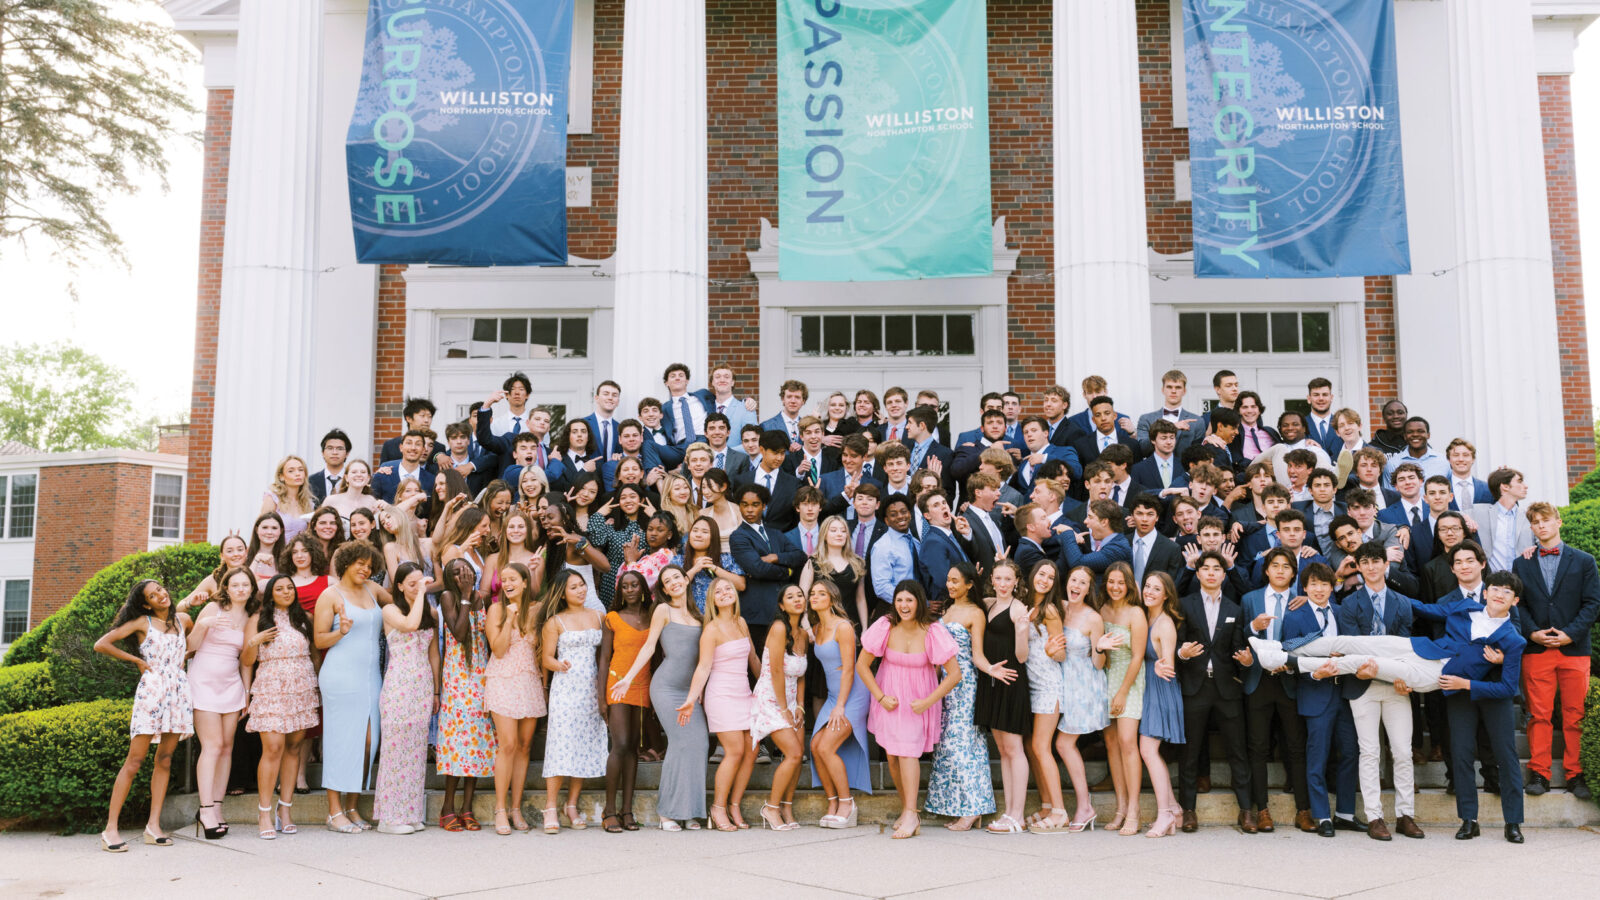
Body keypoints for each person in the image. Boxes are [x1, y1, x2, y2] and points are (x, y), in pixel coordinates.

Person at [855, 580, 961, 839]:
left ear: (919, 602)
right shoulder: (885, 626)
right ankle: (907, 808)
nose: (904, 605)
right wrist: (880, 697)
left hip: (918, 703)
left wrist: (928, 701)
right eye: (899, 600)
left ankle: (912, 814)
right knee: (892, 756)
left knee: (907, 754)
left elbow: (954, 674)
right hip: (889, 699)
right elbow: (862, 665)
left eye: (909, 600)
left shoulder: (932, 631)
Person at [93, 580, 193, 851]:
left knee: (165, 758)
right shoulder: (142, 623)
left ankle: (153, 826)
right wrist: (137, 660)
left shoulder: (183, 620)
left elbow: (190, 643)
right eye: (152, 595)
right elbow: (102, 644)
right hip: (152, 690)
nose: (160, 595)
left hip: (178, 691)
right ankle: (110, 829)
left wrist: (184, 657)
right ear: (146, 604)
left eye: (160, 589)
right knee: (135, 760)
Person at [1336, 541, 1423, 840]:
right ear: (1358, 567)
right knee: (1370, 751)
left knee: (1402, 751)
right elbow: (1352, 645)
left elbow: (1404, 645)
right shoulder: (1349, 604)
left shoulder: (1403, 602)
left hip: (1396, 685)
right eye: (1365, 562)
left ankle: (1405, 815)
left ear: (1387, 564)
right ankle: (1374, 816)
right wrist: (1361, 668)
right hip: (1363, 685)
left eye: (1377, 561)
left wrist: (1402, 674)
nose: (1371, 567)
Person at [1512, 502, 1599, 800]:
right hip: (1537, 650)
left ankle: (1576, 773)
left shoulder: (1584, 561)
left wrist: (1570, 634)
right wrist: (1532, 632)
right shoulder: (1521, 563)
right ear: (1532, 528)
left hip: (1574, 648)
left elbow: (1593, 603)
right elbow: (1518, 604)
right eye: (1535, 522)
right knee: (1539, 714)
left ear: (1558, 522)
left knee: (1575, 714)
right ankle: (1540, 772)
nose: (1541, 525)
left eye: (1546, 520)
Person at [610, 565, 707, 831]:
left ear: (685, 580)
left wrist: (699, 690)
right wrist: (628, 678)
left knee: (699, 744)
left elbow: (703, 659)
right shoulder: (663, 610)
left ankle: (689, 811)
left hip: (689, 691)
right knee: (679, 743)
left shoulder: (699, 615)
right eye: (667, 581)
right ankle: (667, 813)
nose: (674, 582)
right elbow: (649, 647)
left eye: (677, 577)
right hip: (666, 688)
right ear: (663, 589)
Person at [1175, 551, 1253, 834]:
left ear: (1223, 574)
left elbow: (1238, 647)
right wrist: (1181, 653)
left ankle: (1246, 810)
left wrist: (1246, 661)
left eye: (1216, 569)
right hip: (1195, 686)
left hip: (1226, 687)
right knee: (1190, 752)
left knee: (1237, 750)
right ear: (1197, 574)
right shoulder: (1184, 604)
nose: (1210, 573)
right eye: (1205, 568)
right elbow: (1177, 643)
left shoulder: (1235, 608)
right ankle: (1188, 810)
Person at [678, 576, 760, 831]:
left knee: (752, 749)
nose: (725, 592)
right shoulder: (711, 629)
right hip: (721, 695)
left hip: (744, 693)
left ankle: (734, 805)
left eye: (728, 588)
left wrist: (768, 690)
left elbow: (753, 658)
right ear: (712, 600)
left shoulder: (741, 622)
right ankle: (718, 807)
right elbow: (703, 667)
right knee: (734, 751)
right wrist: (691, 699)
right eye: (718, 591)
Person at [314, 544, 386, 834]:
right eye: (360, 563)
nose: (365, 569)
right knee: (341, 741)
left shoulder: (373, 589)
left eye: (369, 566)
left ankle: (353, 806)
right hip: (340, 676)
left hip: (371, 676)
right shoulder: (330, 595)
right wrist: (340, 632)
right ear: (345, 563)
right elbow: (319, 639)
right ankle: (334, 812)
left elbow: (400, 602)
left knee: (369, 742)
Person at [1240, 548, 1312, 833]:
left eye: (1286, 566)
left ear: (1294, 572)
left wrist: (1291, 662)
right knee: (1257, 747)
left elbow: (1310, 636)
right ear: (1266, 570)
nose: (1280, 570)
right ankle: (1262, 809)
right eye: (1275, 565)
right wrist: (1252, 626)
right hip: (1258, 680)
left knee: (1296, 746)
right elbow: (1239, 635)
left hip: (1289, 680)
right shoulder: (1250, 599)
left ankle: (1304, 810)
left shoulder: (1300, 600)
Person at [243, 575, 319, 840]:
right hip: (271, 686)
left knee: (294, 747)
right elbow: (246, 660)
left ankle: (285, 809)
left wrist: (317, 684)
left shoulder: (304, 618)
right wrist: (254, 641)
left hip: (301, 686)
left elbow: (314, 654)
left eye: (290, 588)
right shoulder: (258, 619)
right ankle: (264, 812)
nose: (286, 592)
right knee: (273, 748)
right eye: (279, 589)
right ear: (270, 594)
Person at [926, 565, 997, 831]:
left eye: (956, 581)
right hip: (944, 684)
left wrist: (991, 669)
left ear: (969, 584)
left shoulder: (976, 613)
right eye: (948, 580)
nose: (950, 585)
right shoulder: (946, 610)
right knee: (947, 746)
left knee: (964, 746)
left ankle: (973, 809)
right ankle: (959, 806)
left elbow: (977, 654)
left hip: (965, 685)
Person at [537, 567, 608, 832]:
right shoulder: (555, 621)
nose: (580, 590)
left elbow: (605, 653)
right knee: (561, 746)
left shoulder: (599, 616)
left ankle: (572, 805)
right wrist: (559, 665)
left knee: (583, 746)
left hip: (591, 690)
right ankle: (550, 807)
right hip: (566, 689)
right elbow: (546, 658)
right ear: (563, 593)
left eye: (582, 585)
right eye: (574, 587)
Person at [371, 562, 439, 835]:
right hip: (399, 683)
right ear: (399, 586)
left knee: (415, 752)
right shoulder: (390, 610)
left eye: (421, 582)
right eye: (412, 584)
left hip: (422, 683)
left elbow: (434, 653)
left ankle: (410, 813)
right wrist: (422, 593)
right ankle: (388, 817)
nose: (418, 587)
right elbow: (410, 625)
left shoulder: (430, 612)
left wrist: (436, 690)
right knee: (395, 750)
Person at [187, 566, 254, 839]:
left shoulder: (250, 616)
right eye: (235, 585)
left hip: (231, 684)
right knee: (212, 746)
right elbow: (189, 647)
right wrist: (203, 625)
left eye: (245, 585)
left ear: (252, 588)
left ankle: (216, 806)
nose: (240, 589)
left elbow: (245, 660)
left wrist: (246, 692)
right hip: (204, 681)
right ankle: (204, 810)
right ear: (226, 587)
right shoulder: (213, 609)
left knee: (226, 748)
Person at [962, 560, 1027, 834]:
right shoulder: (988, 604)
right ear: (991, 579)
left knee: (1014, 749)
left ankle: (1018, 815)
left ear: (1016, 582)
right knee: (1003, 750)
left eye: (1008, 579)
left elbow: (1022, 657)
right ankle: (1008, 812)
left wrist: (1022, 631)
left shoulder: (1018, 608)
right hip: (992, 681)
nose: (1002, 584)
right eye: (998, 578)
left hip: (1010, 680)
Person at [480, 562, 545, 835]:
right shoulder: (496, 609)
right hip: (503, 679)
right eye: (503, 580)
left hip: (529, 680)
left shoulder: (538, 609)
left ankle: (516, 808)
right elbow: (498, 649)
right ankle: (499, 809)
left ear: (525, 582)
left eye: (512, 579)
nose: (506, 584)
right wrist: (509, 619)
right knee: (507, 744)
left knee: (524, 746)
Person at [806, 579, 871, 828]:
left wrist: (840, 705)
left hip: (852, 694)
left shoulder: (843, 627)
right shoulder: (816, 628)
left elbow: (849, 670)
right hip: (835, 694)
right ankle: (832, 802)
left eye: (821, 593)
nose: (814, 597)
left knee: (826, 747)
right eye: (812, 593)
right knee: (815, 746)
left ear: (832, 598)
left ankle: (847, 803)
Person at [1055, 565, 1113, 831]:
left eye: (1082, 583)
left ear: (1089, 589)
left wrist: (1099, 648)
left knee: (1064, 744)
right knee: (1058, 744)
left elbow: (1099, 664)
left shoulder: (1093, 618)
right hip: (1061, 683)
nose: (1076, 586)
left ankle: (1084, 806)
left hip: (1084, 686)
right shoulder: (1060, 608)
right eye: (1073, 580)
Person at [749, 585, 810, 830]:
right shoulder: (778, 628)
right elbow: (775, 670)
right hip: (772, 698)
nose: (797, 599)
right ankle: (771, 808)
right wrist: (784, 708)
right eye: (790, 597)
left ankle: (786, 807)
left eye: (800, 595)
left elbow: (800, 674)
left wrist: (800, 706)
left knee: (797, 755)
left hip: (792, 701)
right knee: (793, 753)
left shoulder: (803, 634)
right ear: (782, 606)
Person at [597, 570, 652, 832]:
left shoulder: (653, 617)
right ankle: (609, 810)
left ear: (643, 589)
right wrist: (601, 697)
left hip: (643, 686)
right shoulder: (612, 618)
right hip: (617, 686)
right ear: (620, 591)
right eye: (625, 586)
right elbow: (604, 659)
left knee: (632, 747)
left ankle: (627, 810)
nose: (630, 590)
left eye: (634, 585)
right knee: (619, 744)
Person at [1098, 561, 1148, 835]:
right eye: (1111, 581)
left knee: (1128, 742)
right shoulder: (1102, 609)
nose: (1115, 587)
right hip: (1106, 678)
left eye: (1120, 582)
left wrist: (1122, 692)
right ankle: (1121, 807)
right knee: (1111, 743)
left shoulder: (1136, 613)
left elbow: (1138, 656)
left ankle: (1134, 809)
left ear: (1129, 585)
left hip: (1129, 679)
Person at [728, 483, 807, 652]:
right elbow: (757, 569)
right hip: (757, 614)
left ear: (764, 506)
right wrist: (787, 571)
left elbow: (800, 556)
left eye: (755, 504)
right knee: (760, 662)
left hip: (783, 612)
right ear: (739, 506)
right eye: (744, 505)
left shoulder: (775, 533)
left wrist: (775, 557)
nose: (749, 509)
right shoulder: (738, 536)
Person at [1138, 572, 1185, 838]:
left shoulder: (1164, 623)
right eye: (1147, 586)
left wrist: (1159, 665)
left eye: (1157, 589)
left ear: (1166, 595)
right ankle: (1174, 809)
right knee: (1149, 751)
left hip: (1160, 689)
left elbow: (1169, 665)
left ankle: (1165, 813)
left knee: (1148, 750)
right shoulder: (1146, 617)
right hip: (1148, 688)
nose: (1150, 591)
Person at [798, 514, 870, 629]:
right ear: (824, 535)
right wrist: (806, 625)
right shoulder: (813, 563)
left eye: (843, 531)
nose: (839, 534)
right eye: (833, 530)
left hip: (851, 625)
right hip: (820, 626)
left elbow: (860, 599)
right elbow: (803, 597)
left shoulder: (857, 563)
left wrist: (865, 628)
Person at [1474, 467, 1534, 572]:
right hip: (1491, 578)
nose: (1526, 486)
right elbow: (1449, 515)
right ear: (1505, 487)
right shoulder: (1479, 512)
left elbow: (1544, 542)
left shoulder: (1529, 516)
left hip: (1523, 577)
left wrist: (1536, 548)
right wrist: (1466, 518)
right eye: (1519, 481)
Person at [261, 455, 315, 543]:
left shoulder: (308, 503)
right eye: (291, 471)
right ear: (281, 476)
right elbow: (261, 529)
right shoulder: (273, 498)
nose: (297, 474)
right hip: (276, 549)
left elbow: (309, 535)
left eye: (301, 470)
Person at [1382, 416, 1448, 482]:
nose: (1415, 434)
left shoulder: (1444, 461)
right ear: (1405, 436)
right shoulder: (1393, 464)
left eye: (1420, 431)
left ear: (1428, 435)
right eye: (1410, 432)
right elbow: (1389, 488)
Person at [311, 429, 352, 503]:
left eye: (340, 449)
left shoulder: (354, 480)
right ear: (323, 453)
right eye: (330, 448)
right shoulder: (311, 481)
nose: (335, 452)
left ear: (347, 453)